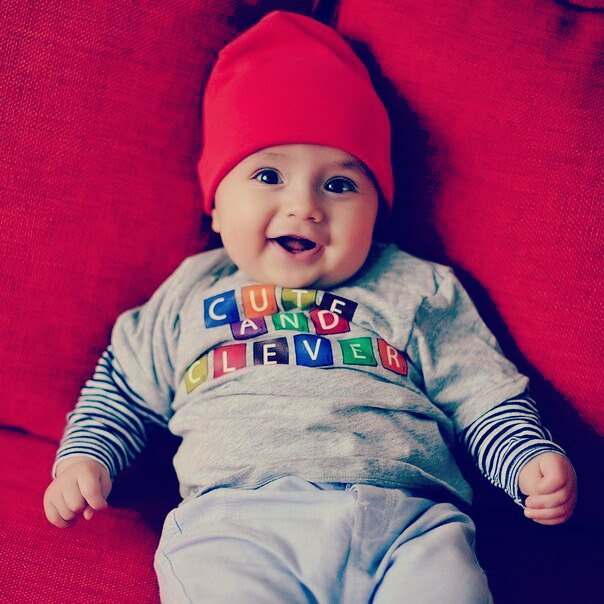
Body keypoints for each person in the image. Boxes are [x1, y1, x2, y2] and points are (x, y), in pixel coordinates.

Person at [43, 10, 577, 603]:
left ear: (377, 211)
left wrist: (527, 460)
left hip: (408, 524)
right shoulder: (191, 292)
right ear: (216, 208)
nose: (305, 206)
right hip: (236, 525)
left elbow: (481, 394)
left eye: (339, 185)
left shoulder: (416, 286)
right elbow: (121, 388)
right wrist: (85, 458)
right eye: (268, 175)